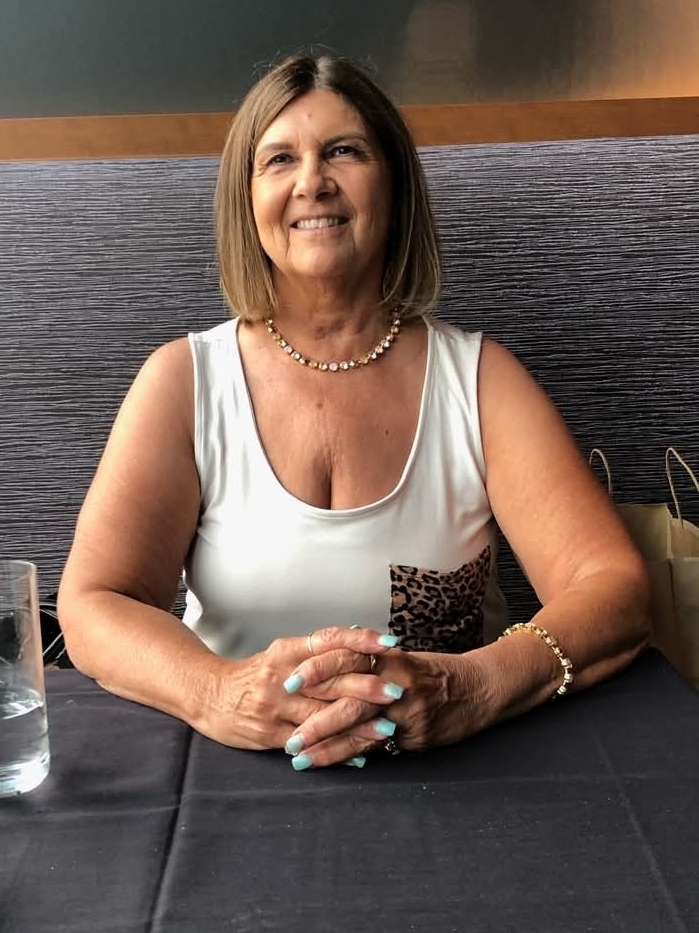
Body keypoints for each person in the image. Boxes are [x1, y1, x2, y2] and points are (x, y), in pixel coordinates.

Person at [57, 52, 650, 771]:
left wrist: (478, 684)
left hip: (460, 775)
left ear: (393, 184)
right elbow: (92, 603)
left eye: (343, 151)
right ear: (247, 199)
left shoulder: (480, 379)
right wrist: (218, 693)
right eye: (279, 159)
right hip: (225, 776)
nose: (312, 181)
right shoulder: (184, 381)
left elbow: (614, 588)